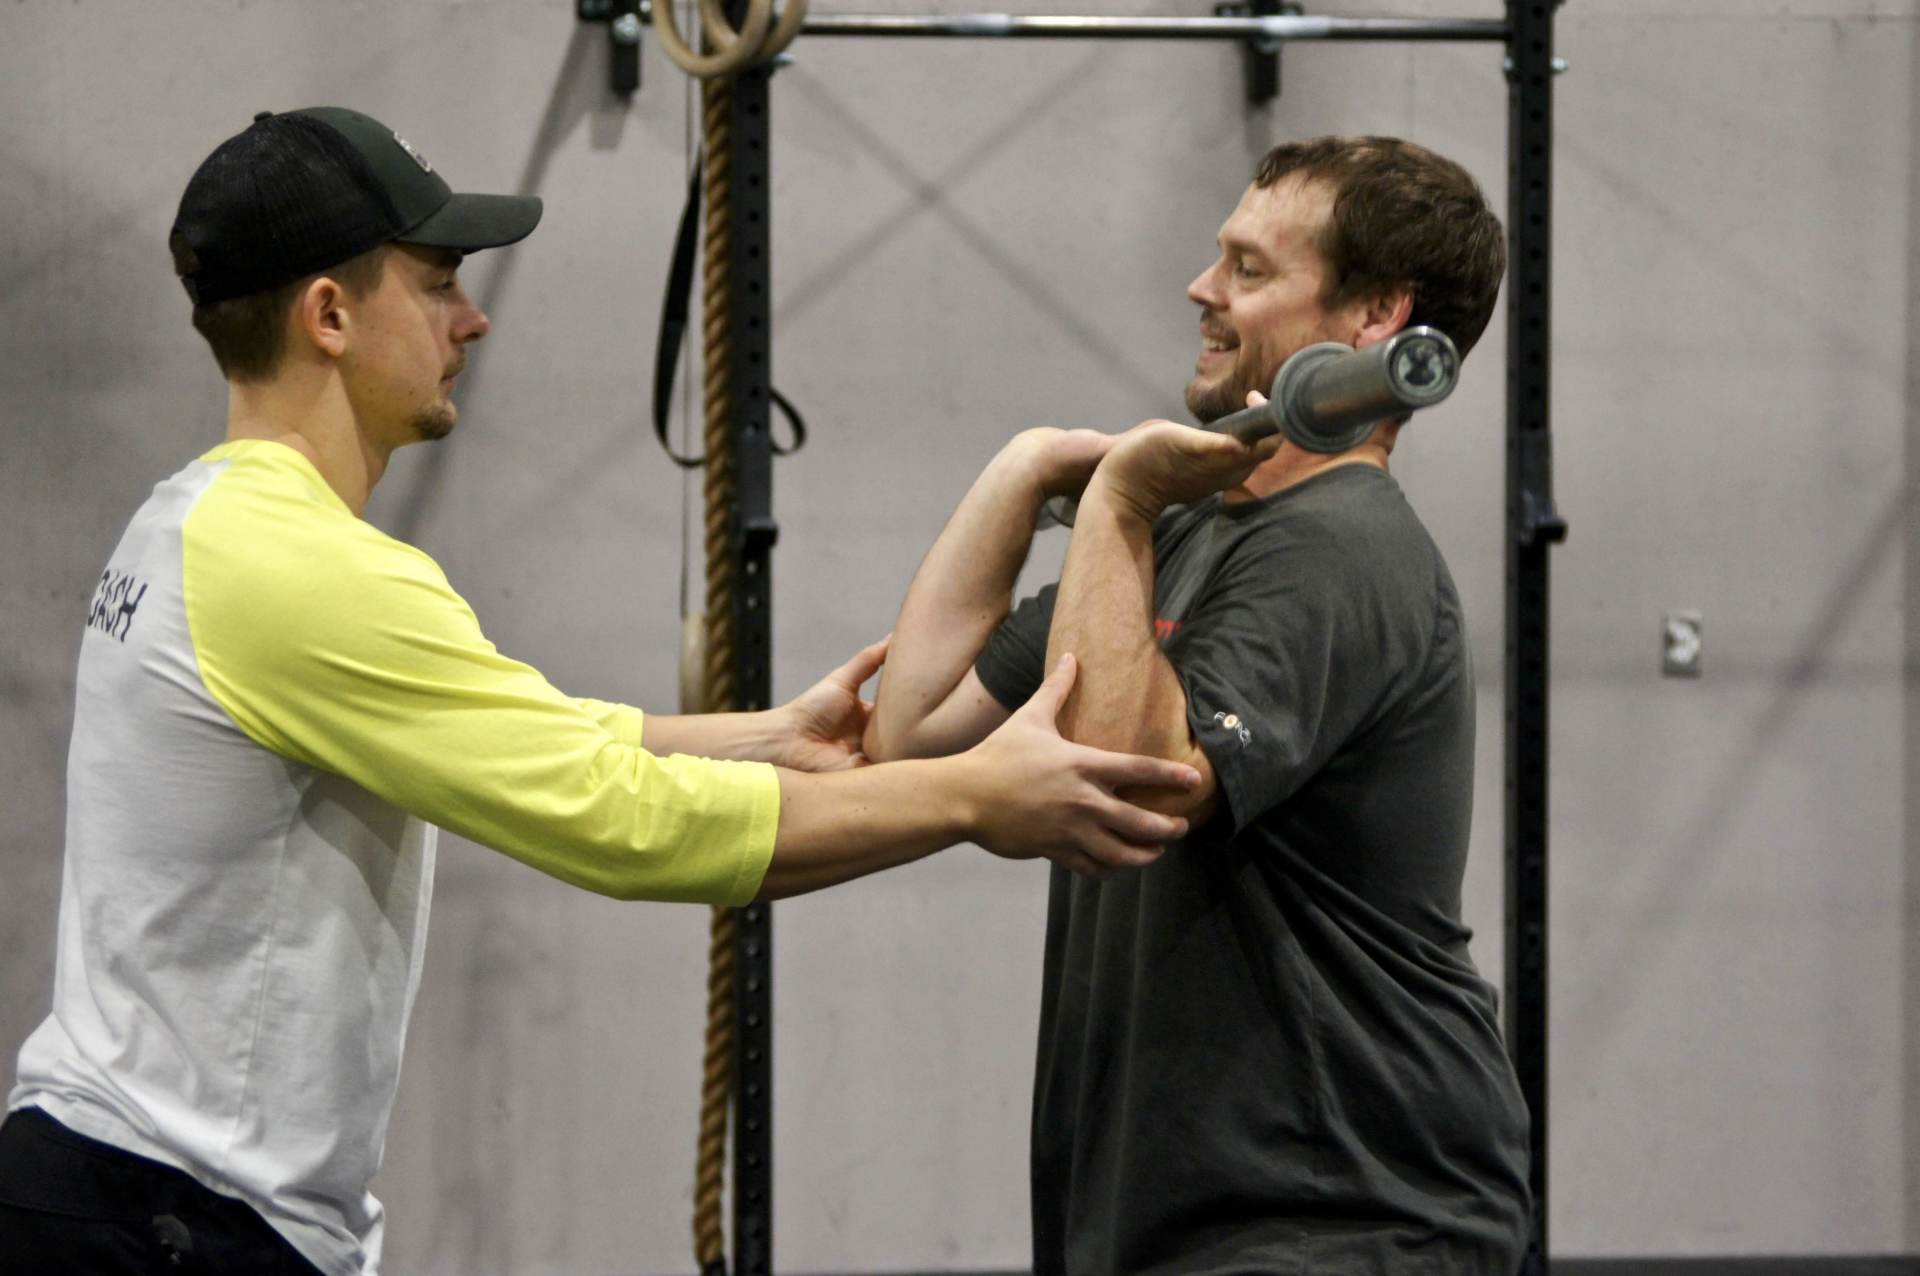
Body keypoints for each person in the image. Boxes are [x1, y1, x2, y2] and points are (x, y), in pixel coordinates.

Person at [0, 107, 1203, 1276]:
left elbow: (508, 729)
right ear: (328, 313)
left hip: (126, 1193)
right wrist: (971, 796)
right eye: (435, 281)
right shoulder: (305, 569)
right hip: (162, 1216)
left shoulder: (197, 522)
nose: (470, 319)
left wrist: (769, 735)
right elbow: (624, 824)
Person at [865, 136, 1533, 1273]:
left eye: (1250, 269)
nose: (1202, 289)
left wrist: (1118, 497)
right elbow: (911, 732)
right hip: (1176, 1220)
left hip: (1335, 1223)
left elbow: (1116, 780)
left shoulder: (1345, 547)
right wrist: (1025, 470)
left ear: (1378, 317)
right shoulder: (1183, 530)